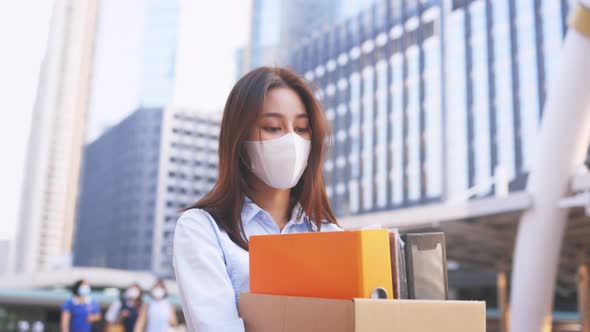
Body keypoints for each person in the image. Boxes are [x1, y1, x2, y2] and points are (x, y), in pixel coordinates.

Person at [173, 66, 341, 331]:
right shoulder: (203, 228)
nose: (291, 141)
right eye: (273, 127)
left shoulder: (332, 235)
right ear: (239, 138)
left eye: (301, 128)